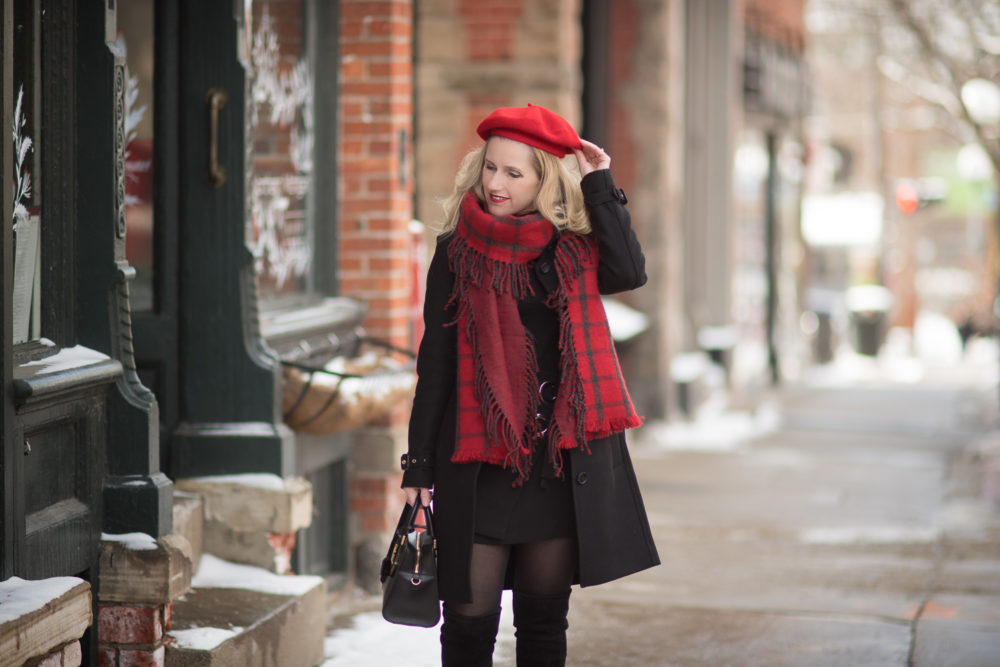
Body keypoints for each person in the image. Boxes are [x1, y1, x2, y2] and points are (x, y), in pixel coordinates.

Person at [401, 103, 660, 667]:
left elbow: (630, 271)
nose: (496, 183)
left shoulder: (572, 247)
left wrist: (599, 182)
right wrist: (417, 466)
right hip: (479, 459)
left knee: (543, 625)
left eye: (514, 173)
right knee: (468, 627)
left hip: (557, 463)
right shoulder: (455, 250)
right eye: (490, 168)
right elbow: (437, 363)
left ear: (545, 180)